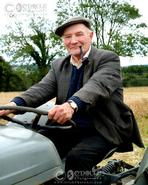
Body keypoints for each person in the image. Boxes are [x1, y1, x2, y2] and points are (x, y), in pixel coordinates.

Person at [0, 16, 144, 184]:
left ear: (90, 36)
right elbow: (41, 89)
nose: (73, 41)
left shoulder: (108, 59)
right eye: (68, 37)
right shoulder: (59, 65)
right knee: (32, 149)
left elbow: (96, 86)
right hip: (69, 127)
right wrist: (13, 105)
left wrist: (71, 105)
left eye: (79, 34)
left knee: (77, 158)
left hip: (103, 128)